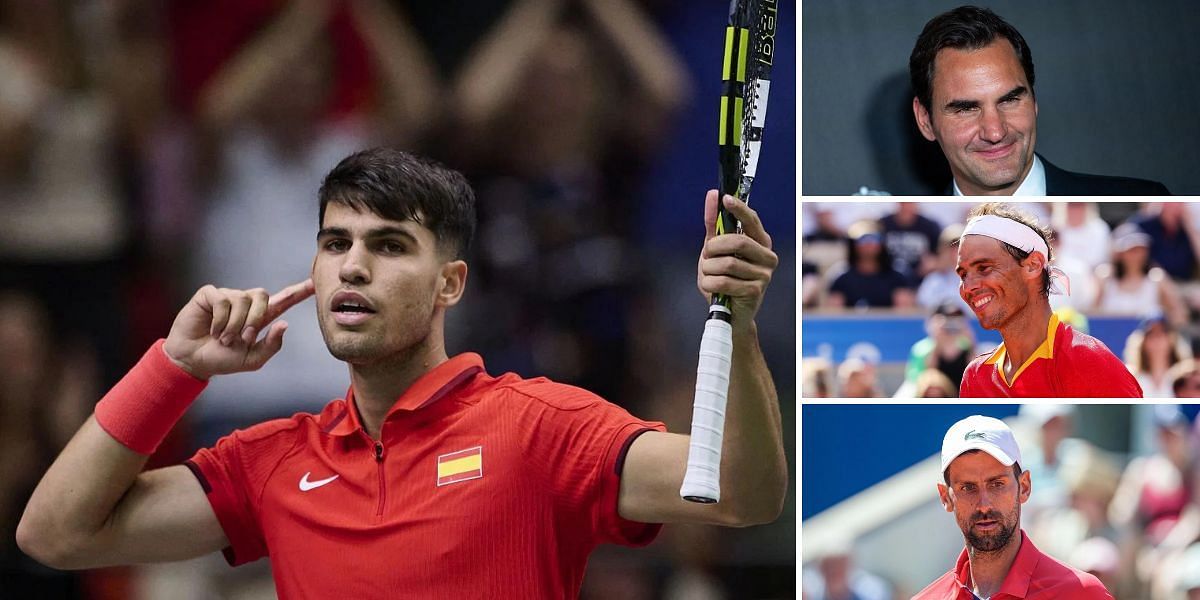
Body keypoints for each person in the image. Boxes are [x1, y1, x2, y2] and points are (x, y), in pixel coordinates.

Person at [14, 149, 788, 598]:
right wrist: (174, 367)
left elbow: (742, 494)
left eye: (388, 245)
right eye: (335, 242)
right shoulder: (274, 461)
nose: (353, 264)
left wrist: (742, 325)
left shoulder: (537, 428)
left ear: (450, 284)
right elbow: (54, 534)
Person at [908, 6, 1170, 196]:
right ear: (925, 120)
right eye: (966, 109)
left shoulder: (1141, 197)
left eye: (1009, 100)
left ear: (1034, 101)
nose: (995, 131)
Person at [912, 415, 1114, 599]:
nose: (984, 505)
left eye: (997, 484)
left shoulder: (1081, 593)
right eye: (968, 487)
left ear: (1024, 487)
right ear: (945, 497)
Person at [955, 203, 1141, 397]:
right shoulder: (975, 375)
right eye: (963, 275)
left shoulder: (1091, 361)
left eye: (984, 268)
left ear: (1033, 265)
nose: (968, 287)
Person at [826, 222, 915, 309]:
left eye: (874, 238)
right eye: (863, 239)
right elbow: (834, 315)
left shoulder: (897, 278)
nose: (868, 244)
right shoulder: (842, 279)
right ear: (853, 245)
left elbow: (904, 314)